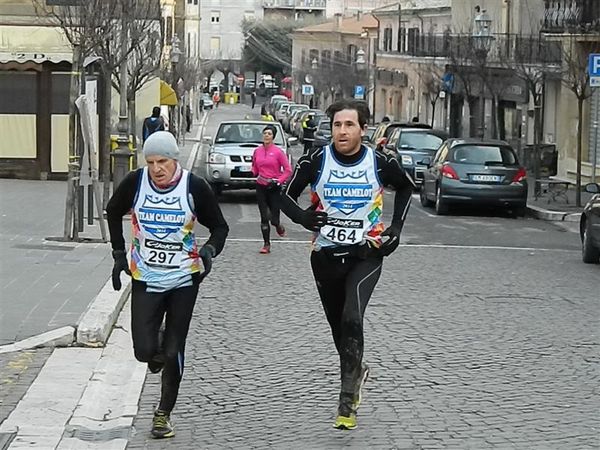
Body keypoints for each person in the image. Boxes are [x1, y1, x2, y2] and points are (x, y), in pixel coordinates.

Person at [280, 99, 414, 430]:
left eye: (349, 125)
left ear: (362, 129)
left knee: (353, 316)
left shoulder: (379, 161)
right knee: (339, 328)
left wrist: (395, 228)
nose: (342, 131)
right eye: (338, 125)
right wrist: (303, 217)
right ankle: (358, 368)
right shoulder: (316, 160)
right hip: (325, 254)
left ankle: (346, 399)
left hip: (366, 252)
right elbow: (282, 195)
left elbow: (407, 188)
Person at [106, 131, 229, 439]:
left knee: (174, 349)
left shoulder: (194, 187)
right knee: (144, 351)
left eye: (162, 161)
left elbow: (219, 226)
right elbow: (112, 210)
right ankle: (157, 345)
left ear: (175, 160)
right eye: (151, 162)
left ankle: (163, 415)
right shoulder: (136, 182)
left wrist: (210, 249)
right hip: (146, 276)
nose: (157, 168)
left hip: (183, 279)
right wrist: (119, 254)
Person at [251, 124, 292, 254]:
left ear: (273, 137)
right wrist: (252, 171)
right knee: (264, 217)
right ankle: (266, 244)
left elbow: (288, 170)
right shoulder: (257, 151)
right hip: (261, 186)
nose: (266, 136)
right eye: (265, 133)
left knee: (273, 220)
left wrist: (279, 181)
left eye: (269, 134)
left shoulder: (278, 152)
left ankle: (278, 226)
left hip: (274, 187)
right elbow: (255, 168)